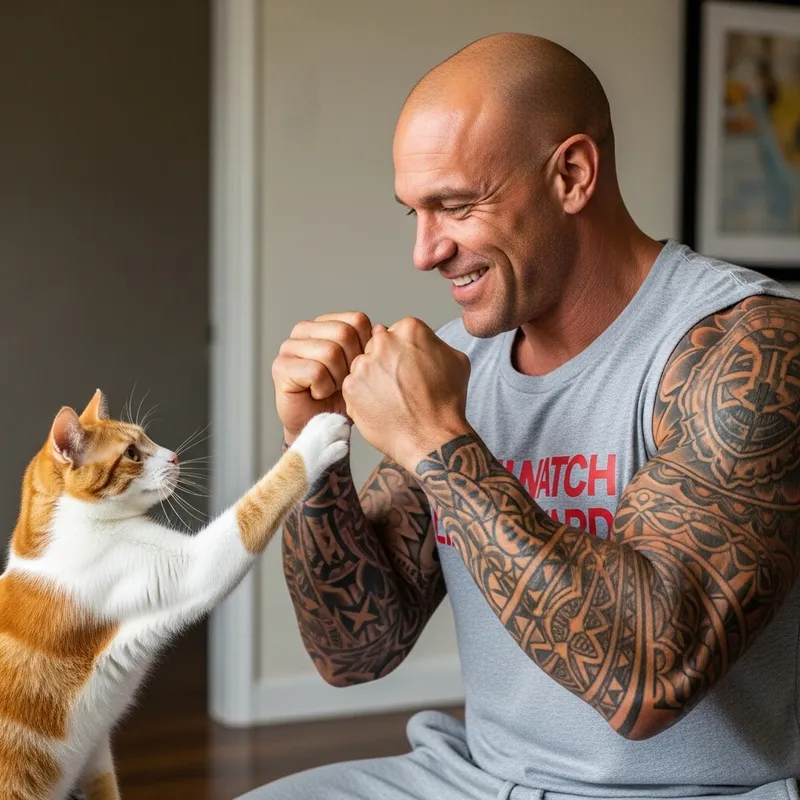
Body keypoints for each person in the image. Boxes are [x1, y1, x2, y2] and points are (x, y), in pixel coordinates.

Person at [241, 32, 800, 800]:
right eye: (413, 210)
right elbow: (355, 651)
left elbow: (651, 677)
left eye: (456, 205)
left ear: (571, 175)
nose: (424, 251)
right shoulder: (458, 368)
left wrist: (437, 440)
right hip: (481, 779)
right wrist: (315, 449)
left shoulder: (748, 347)